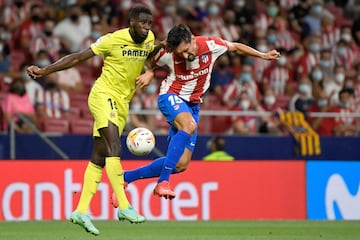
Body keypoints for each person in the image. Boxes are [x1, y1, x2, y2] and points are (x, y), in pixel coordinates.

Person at [112, 24, 280, 203]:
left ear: (192, 39)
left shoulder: (210, 45)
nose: (184, 56)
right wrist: (150, 72)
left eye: (185, 50)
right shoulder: (169, 53)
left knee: (180, 164)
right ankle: (163, 182)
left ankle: (125, 178)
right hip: (171, 97)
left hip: (193, 105)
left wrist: (262, 55)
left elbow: (236, 46)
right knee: (189, 125)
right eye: (180, 53)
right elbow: (147, 59)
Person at [26, 5, 155, 236]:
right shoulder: (112, 39)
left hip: (123, 102)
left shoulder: (149, 39)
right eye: (142, 22)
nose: (146, 27)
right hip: (103, 96)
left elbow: (152, 55)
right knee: (114, 146)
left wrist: (150, 71)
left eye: (149, 23)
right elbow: (78, 57)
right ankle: (124, 206)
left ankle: (81, 210)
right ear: (131, 22)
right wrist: (45, 71)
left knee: (99, 156)